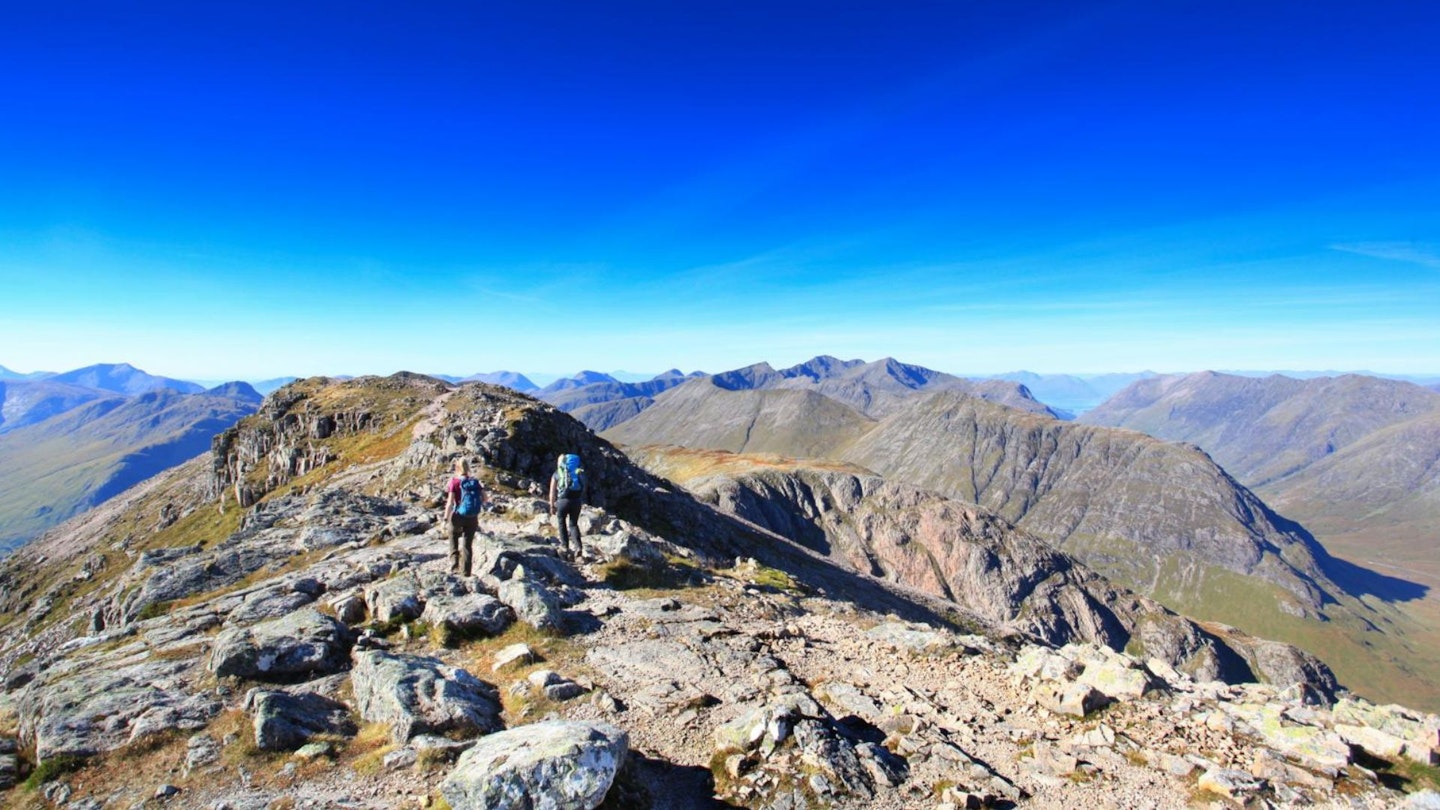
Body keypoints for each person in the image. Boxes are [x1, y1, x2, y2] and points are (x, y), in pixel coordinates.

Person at [444, 458, 485, 576]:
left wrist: (445, 519)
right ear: (468, 468)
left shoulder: (455, 482)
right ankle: (466, 572)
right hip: (472, 517)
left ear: (457, 468)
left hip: (458, 516)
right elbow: (485, 498)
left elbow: (450, 503)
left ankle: (455, 566)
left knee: (453, 536)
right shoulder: (475, 482)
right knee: (467, 545)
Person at [549, 453, 586, 560]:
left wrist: (552, 505)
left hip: (562, 502)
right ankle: (578, 547)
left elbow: (552, 492)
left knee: (561, 523)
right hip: (576, 501)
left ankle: (565, 546)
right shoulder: (576, 472)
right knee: (573, 524)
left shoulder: (557, 474)